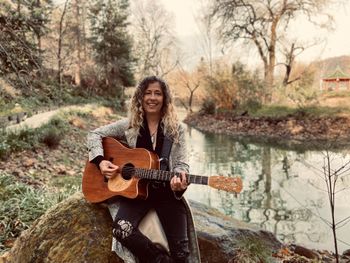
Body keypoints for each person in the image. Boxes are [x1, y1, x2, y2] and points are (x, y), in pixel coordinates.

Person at [87, 76, 198, 263]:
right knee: (121, 229)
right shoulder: (130, 125)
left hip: (166, 194)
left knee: (182, 253)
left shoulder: (176, 129)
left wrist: (180, 183)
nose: (152, 98)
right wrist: (100, 161)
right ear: (140, 97)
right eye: (148, 93)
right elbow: (94, 134)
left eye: (157, 93)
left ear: (165, 99)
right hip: (136, 193)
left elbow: (181, 164)